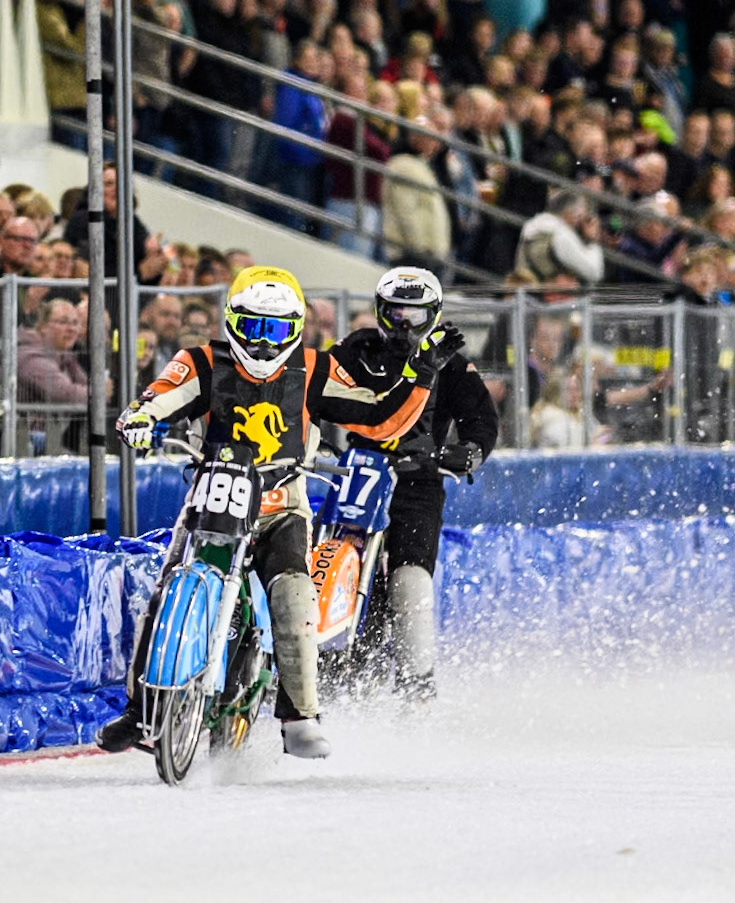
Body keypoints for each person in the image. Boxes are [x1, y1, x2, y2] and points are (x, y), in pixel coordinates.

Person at [98, 265, 464, 760]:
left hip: (281, 503)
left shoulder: (315, 369)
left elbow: (379, 419)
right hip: (212, 495)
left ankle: (299, 716)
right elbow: (159, 397)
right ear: (231, 321)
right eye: (253, 327)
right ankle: (139, 708)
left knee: (294, 596)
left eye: (276, 330)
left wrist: (420, 375)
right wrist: (139, 419)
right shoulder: (201, 361)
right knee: (163, 591)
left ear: (294, 330)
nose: (264, 342)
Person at [326, 268, 499, 700]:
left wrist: (471, 451)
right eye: (396, 314)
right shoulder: (357, 349)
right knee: (326, 551)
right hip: (358, 472)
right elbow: (317, 388)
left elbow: (481, 419)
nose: (405, 325)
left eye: (416, 316)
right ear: (381, 313)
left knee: (410, 579)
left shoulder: (454, 363)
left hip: (418, 482)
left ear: (434, 316)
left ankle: (416, 683)